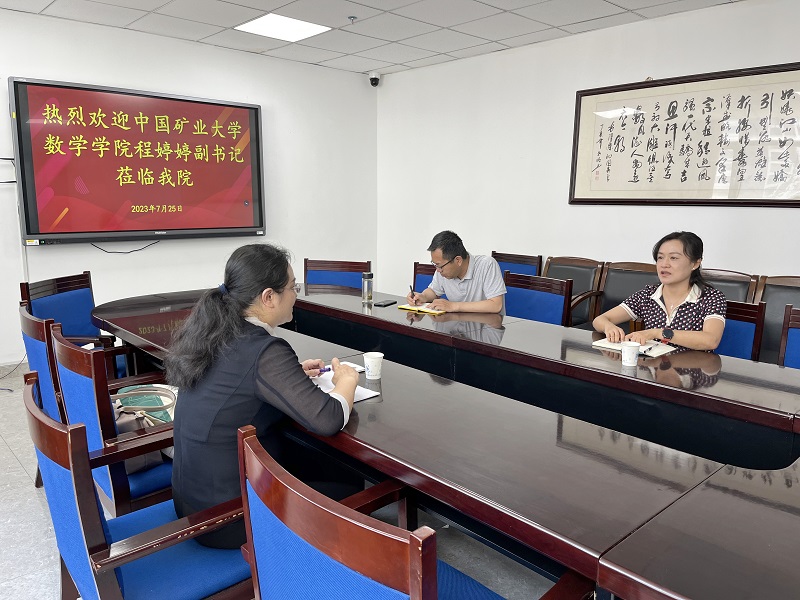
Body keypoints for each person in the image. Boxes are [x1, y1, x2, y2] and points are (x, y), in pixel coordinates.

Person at [165, 243, 360, 549]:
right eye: (292, 287)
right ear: (269, 297)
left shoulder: (216, 332)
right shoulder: (264, 349)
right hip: (230, 519)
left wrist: (289, 375)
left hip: (194, 504)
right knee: (352, 487)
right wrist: (346, 381)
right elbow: (328, 418)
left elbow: (236, 381)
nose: (296, 294)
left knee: (320, 465)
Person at [592, 231, 726, 351]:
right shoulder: (648, 294)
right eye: (660, 257)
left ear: (695, 263)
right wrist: (609, 327)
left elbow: (711, 340)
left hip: (693, 369)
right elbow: (599, 320)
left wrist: (657, 333)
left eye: (673, 258)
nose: (664, 264)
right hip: (652, 367)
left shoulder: (711, 297)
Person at [406, 230, 506, 315]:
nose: (438, 270)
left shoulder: (487, 265)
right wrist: (422, 296)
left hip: (488, 328)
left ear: (458, 260)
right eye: (435, 265)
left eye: (440, 266)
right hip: (457, 326)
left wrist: (453, 306)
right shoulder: (442, 269)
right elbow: (434, 291)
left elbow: (496, 305)